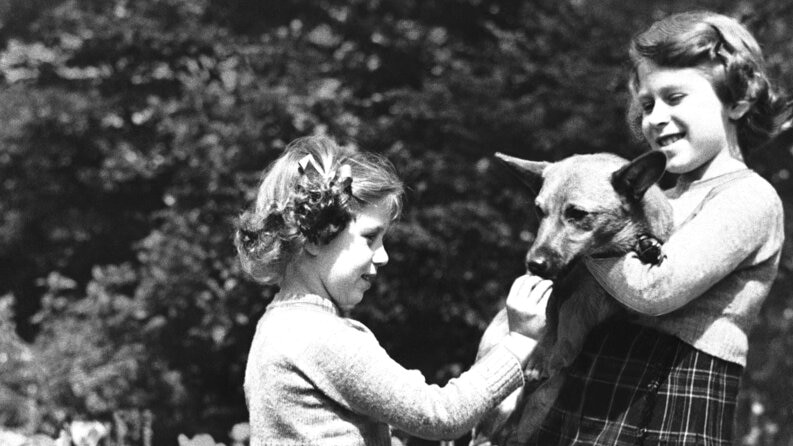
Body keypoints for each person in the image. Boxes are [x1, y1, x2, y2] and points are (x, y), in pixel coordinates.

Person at [525, 10, 788, 445]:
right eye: (647, 104)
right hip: (603, 387)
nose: (655, 117)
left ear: (738, 101)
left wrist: (595, 239)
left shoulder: (749, 197)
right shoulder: (660, 200)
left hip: (674, 396)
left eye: (675, 98)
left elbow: (655, 290)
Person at [235, 135, 546, 445]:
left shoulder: (276, 326)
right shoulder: (322, 337)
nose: (383, 256)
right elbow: (441, 413)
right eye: (370, 237)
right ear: (315, 238)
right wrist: (519, 343)